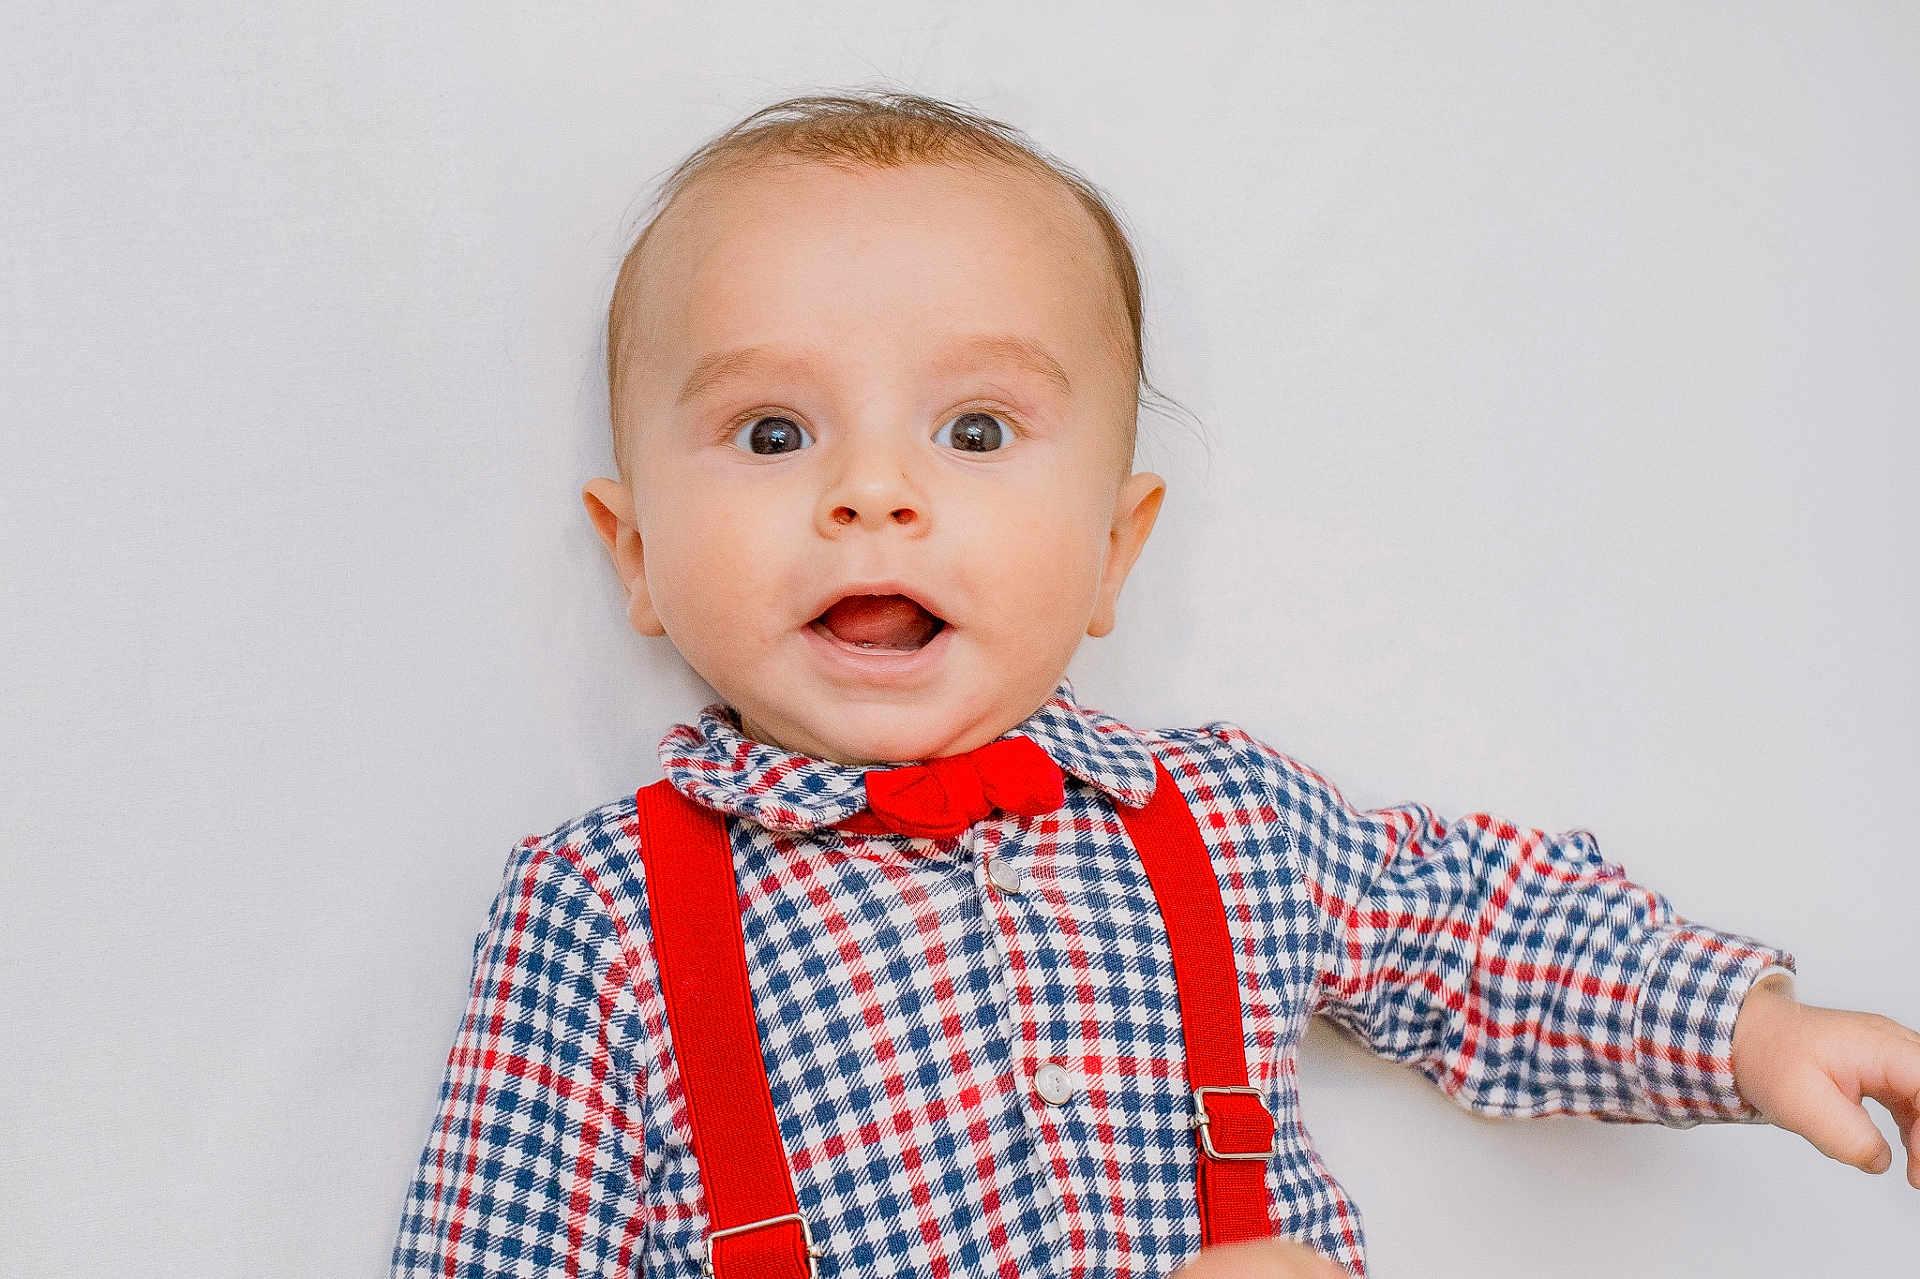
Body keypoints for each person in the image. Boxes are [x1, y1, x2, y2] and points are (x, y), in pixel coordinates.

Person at [389, 90, 1920, 1278]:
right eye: (774, 433)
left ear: (1116, 554)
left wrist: (1745, 1028)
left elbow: (1479, 930)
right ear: (638, 554)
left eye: (975, 433)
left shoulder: (1224, 821)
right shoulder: (599, 915)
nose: (873, 492)